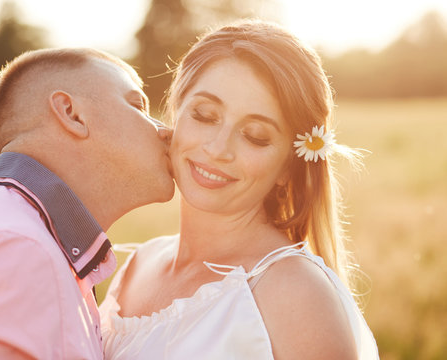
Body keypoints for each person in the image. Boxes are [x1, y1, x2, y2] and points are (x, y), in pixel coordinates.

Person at [100, 20, 379, 359]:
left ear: (287, 167)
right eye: (204, 115)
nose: (218, 149)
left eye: (255, 136)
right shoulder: (139, 265)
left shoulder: (293, 292)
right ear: (176, 113)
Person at [0, 48, 174, 359]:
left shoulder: (20, 239)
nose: (165, 131)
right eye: (137, 105)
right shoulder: (14, 251)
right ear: (72, 113)